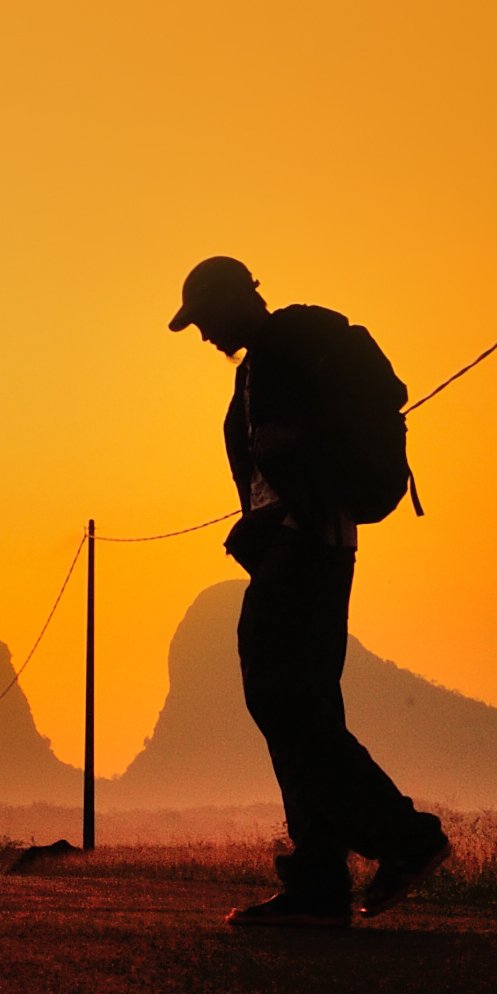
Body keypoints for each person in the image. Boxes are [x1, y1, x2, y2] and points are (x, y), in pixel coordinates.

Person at [168, 255, 451, 927]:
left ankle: (401, 839)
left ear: (236, 299)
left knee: (284, 700)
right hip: (306, 548)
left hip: (307, 548)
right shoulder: (259, 366)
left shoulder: (286, 347)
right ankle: (320, 880)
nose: (203, 333)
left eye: (205, 315)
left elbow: (296, 452)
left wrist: (280, 522)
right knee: (301, 710)